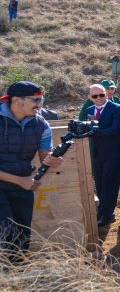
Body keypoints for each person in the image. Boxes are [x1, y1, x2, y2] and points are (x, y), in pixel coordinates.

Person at [0, 81, 63, 251]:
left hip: (23, 188)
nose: (39, 105)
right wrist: (20, 180)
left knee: (22, 240)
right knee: (6, 237)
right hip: (11, 184)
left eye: (41, 100)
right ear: (17, 100)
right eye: (35, 100)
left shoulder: (42, 125)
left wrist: (51, 159)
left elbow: (44, 156)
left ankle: (18, 275)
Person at [85, 84, 120, 227]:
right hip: (96, 153)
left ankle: (106, 214)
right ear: (90, 97)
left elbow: (115, 129)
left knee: (110, 184)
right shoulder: (89, 110)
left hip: (113, 153)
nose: (99, 98)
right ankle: (105, 211)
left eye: (101, 95)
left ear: (106, 94)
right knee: (100, 184)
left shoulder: (117, 108)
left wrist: (94, 132)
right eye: (95, 96)